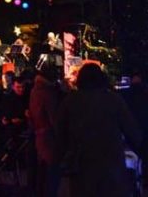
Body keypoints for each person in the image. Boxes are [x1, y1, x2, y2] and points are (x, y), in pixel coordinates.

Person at [56, 63, 141, 197]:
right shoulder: (113, 99)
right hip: (111, 163)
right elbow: (131, 130)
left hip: (82, 164)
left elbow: (60, 133)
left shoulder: (70, 102)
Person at [28, 65, 61, 197]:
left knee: (42, 171)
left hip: (39, 135)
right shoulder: (48, 92)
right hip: (49, 137)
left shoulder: (35, 90)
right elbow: (54, 118)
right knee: (51, 172)